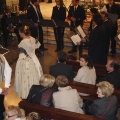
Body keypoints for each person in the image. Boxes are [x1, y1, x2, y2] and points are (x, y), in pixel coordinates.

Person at [14, 26, 43, 99]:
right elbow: (37, 45)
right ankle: (34, 91)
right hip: (33, 60)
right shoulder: (32, 38)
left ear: (23, 33)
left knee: (24, 77)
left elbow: (23, 52)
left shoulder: (23, 42)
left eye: (20, 32)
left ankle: (26, 92)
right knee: (34, 75)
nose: (19, 34)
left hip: (25, 61)